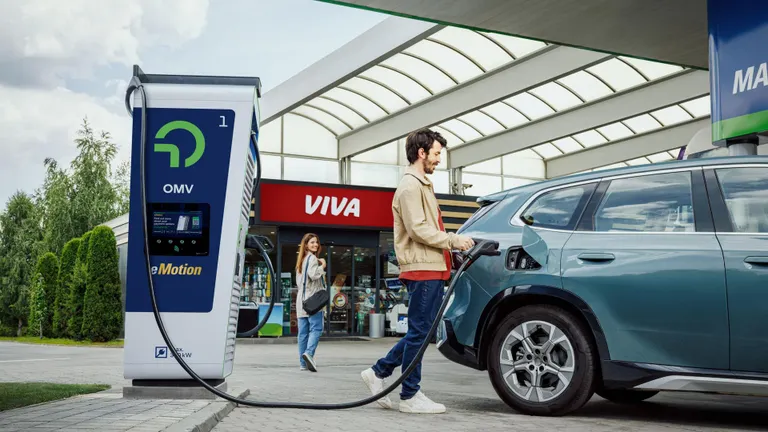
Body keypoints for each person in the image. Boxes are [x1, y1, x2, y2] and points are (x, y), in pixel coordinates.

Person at [361, 128, 474, 414]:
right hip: (422, 270)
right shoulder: (410, 186)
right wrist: (452, 239)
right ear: (421, 153)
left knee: (420, 332)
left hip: (432, 268)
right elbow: (419, 229)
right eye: (436, 153)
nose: (439, 159)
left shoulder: (422, 184)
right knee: (421, 333)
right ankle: (409, 395)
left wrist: (451, 254)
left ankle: (379, 372)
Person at [295, 233, 327, 372]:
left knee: (303, 333)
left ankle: (303, 364)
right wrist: (323, 266)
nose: (315, 245)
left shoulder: (301, 260)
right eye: (312, 242)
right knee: (316, 329)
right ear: (306, 244)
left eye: (316, 242)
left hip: (301, 302)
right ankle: (309, 353)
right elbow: (314, 275)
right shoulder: (313, 258)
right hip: (313, 301)